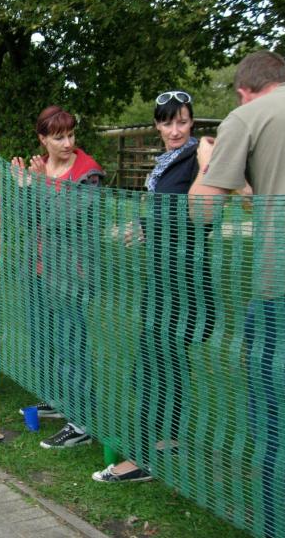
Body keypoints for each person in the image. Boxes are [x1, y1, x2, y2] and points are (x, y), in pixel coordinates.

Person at [189, 51, 285, 538]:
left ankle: (284, 526)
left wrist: (207, 165)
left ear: (244, 90)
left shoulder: (247, 117)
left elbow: (202, 212)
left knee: (283, 422)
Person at [92, 90, 215, 482]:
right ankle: (169, 437)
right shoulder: (167, 164)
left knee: (151, 367)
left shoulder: (199, 158)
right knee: (167, 362)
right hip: (161, 278)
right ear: (157, 125)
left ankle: (140, 459)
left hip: (184, 282)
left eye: (182, 121)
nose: (175, 130)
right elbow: (169, 211)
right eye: (167, 122)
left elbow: (201, 215)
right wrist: (144, 226)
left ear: (192, 122)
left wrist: (208, 163)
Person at [11, 105, 104, 449]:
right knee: (44, 341)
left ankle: (81, 422)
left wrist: (40, 185)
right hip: (39, 270)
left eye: (71, 135)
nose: (67, 143)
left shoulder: (88, 173)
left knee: (71, 344)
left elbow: (62, 219)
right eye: (59, 137)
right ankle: (57, 400)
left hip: (70, 273)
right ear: (43, 140)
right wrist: (24, 187)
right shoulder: (42, 168)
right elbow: (27, 219)